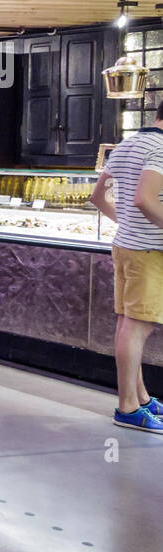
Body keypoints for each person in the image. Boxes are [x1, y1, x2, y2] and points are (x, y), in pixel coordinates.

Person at [89, 107, 163, 433]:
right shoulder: (161, 149)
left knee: (127, 325)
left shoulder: (129, 143)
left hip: (125, 246)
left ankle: (141, 399)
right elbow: (143, 199)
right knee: (137, 328)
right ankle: (128, 408)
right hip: (149, 252)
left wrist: (129, 225)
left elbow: (98, 196)